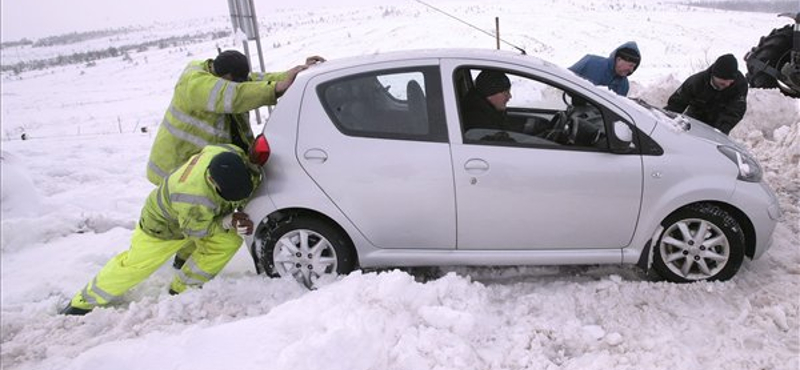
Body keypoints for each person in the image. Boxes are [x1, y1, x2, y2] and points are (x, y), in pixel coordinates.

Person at [146, 50, 324, 268]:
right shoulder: (195, 83)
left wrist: (293, 74)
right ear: (225, 76)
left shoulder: (224, 77)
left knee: (201, 215)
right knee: (191, 220)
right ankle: (182, 263)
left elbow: (253, 82)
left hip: (206, 167)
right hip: (178, 169)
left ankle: (185, 259)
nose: (240, 83)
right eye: (235, 81)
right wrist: (276, 89)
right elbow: (234, 95)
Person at [60, 145, 262, 315]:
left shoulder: (228, 152)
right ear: (212, 181)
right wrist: (227, 221)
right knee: (134, 267)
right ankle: (81, 304)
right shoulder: (193, 197)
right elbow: (197, 231)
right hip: (162, 228)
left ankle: (182, 288)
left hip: (192, 216)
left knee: (228, 241)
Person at [665, 54, 748, 135]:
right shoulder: (696, 82)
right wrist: (665, 121)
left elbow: (735, 111)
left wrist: (721, 131)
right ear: (714, 76)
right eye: (722, 83)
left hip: (720, 123)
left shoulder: (740, 85)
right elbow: (676, 104)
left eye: (730, 83)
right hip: (694, 119)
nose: (727, 85)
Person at [569, 41, 641, 96]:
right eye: (630, 65)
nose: (631, 70)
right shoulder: (590, 62)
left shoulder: (624, 85)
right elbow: (564, 79)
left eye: (634, 67)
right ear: (619, 60)